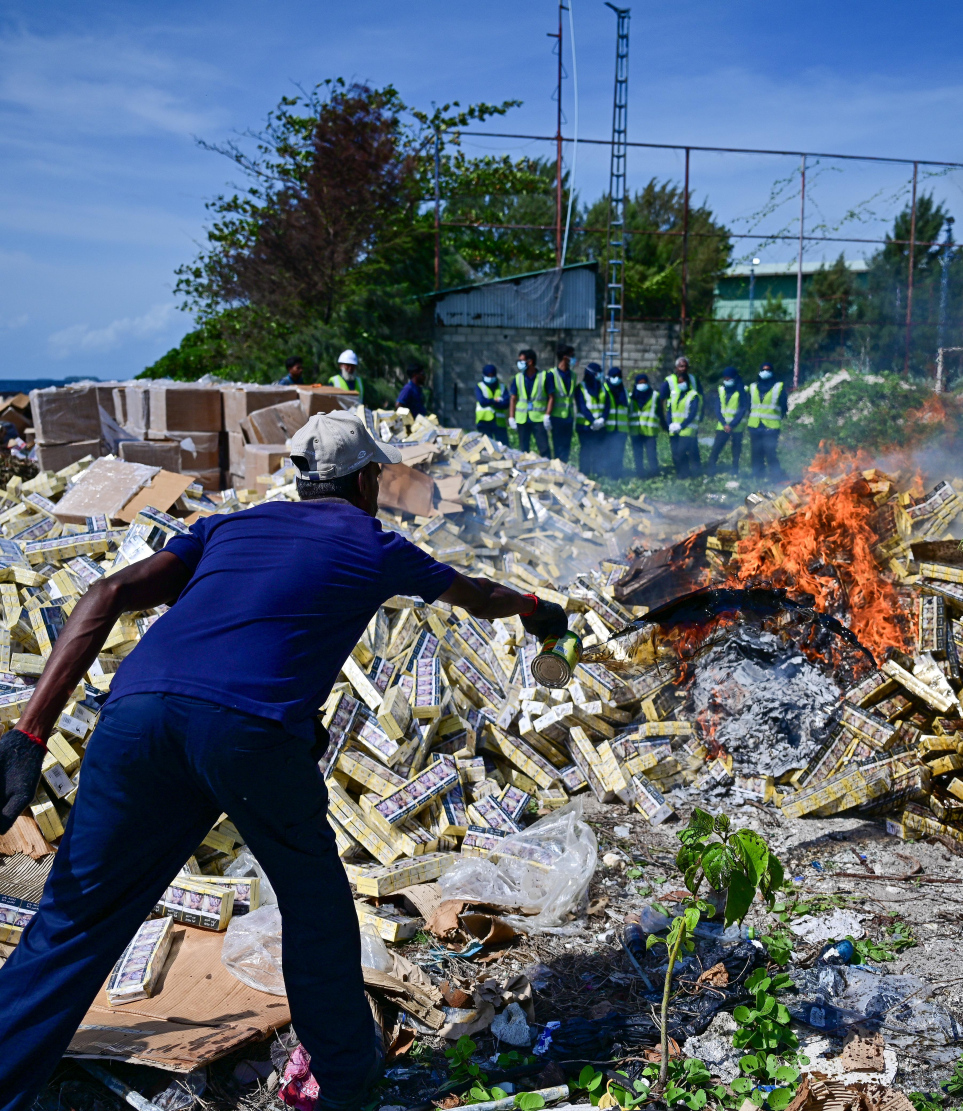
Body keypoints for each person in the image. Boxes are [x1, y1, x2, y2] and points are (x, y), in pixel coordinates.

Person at [0, 410, 569, 1111]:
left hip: (137, 715)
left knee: (77, 913)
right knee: (314, 906)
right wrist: (537, 609)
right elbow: (478, 594)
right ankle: (345, 1082)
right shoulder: (376, 543)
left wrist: (28, 736)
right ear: (366, 480)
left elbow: (106, 592)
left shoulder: (226, 527)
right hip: (250, 731)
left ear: (302, 482)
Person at [508, 349, 554, 457]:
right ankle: (525, 471)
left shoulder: (544, 376)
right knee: (523, 449)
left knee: (544, 447)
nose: (519, 363)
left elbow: (551, 397)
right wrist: (511, 417)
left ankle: (547, 470)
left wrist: (547, 415)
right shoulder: (518, 378)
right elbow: (513, 398)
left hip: (538, 418)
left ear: (530, 362)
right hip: (522, 418)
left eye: (522, 361)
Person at [747, 361, 788, 481]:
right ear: (759, 372)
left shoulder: (778, 386)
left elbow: (783, 406)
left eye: (768, 370)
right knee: (756, 452)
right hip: (755, 425)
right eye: (763, 370)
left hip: (771, 426)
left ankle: (776, 476)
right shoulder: (753, 387)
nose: (766, 372)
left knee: (770, 452)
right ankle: (758, 476)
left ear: (772, 372)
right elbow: (749, 404)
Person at [706, 367, 750, 477]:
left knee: (736, 449)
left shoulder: (742, 390)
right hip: (723, 426)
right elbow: (717, 408)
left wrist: (732, 424)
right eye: (725, 378)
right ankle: (710, 470)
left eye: (729, 378)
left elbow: (743, 408)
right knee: (716, 448)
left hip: (737, 426)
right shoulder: (721, 390)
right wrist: (725, 424)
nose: (727, 380)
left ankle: (735, 470)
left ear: (735, 378)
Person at [662, 362, 702, 478]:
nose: (680, 384)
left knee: (682, 452)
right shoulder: (674, 395)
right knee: (675, 453)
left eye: (682, 382)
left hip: (686, 429)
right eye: (679, 383)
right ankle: (681, 473)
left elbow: (693, 413)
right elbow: (669, 410)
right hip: (674, 428)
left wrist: (681, 425)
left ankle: (686, 474)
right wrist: (670, 424)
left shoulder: (693, 395)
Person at [574, 362, 607, 476]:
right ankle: (585, 473)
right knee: (586, 450)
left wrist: (602, 419)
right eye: (598, 373)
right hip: (585, 426)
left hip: (600, 426)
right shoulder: (581, 387)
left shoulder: (602, 387)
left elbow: (607, 405)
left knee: (599, 450)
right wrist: (593, 421)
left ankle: (597, 473)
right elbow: (582, 407)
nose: (600, 375)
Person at [548, 344, 578, 464]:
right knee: (557, 446)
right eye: (572, 356)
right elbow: (550, 396)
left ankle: (564, 468)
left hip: (568, 417)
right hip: (556, 416)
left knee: (567, 446)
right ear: (565, 357)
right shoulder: (551, 374)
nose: (574, 358)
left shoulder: (573, 375)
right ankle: (556, 468)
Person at [628, 373, 660, 479]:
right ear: (636, 384)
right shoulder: (631, 397)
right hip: (635, 431)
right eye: (640, 383)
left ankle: (654, 473)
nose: (642, 385)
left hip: (650, 431)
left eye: (644, 382)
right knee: (638, 454)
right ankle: (640, 474)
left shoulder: (655, 395)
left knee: (652, 454)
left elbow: (660, 413)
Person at [600, 366, 629, 479]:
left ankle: (617, 475)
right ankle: (606, 474)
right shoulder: (604, 389)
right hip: (608, 428)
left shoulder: (624, 391)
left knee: (619, 453)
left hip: (621, 429)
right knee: (607, 452)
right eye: (614, 376)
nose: (617, 379)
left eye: (619, 376)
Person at [474, 364, 509, 444]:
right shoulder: (480, 386)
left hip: (499, 422)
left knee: (503, 446)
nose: (490, 378)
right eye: (488, 376)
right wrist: (495, 401)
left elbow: (506, 404)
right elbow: (482, 402)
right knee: (485, 446)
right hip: (484, 421)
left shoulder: (502, 387)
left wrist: (490, 402)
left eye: (492, 375)